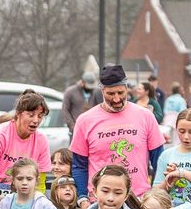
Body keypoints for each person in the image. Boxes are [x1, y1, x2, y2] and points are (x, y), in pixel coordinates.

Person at [70, 64, 165, 200]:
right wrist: (83, 199)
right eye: (110, 94)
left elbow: (158, 160)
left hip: (138, 198)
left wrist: (154, 194)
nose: (116, 99)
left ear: (127, 89)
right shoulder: (85, 121)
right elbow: (79, 165)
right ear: (102, 91)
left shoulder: (145, 116)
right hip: (100, 200)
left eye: (120, 93)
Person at [0, 90, 51, 203]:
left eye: (40, 116)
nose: (36, 120)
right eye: (31, 115)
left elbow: (40, 185)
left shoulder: (41, 141)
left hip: (24, 205)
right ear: (18, 113)